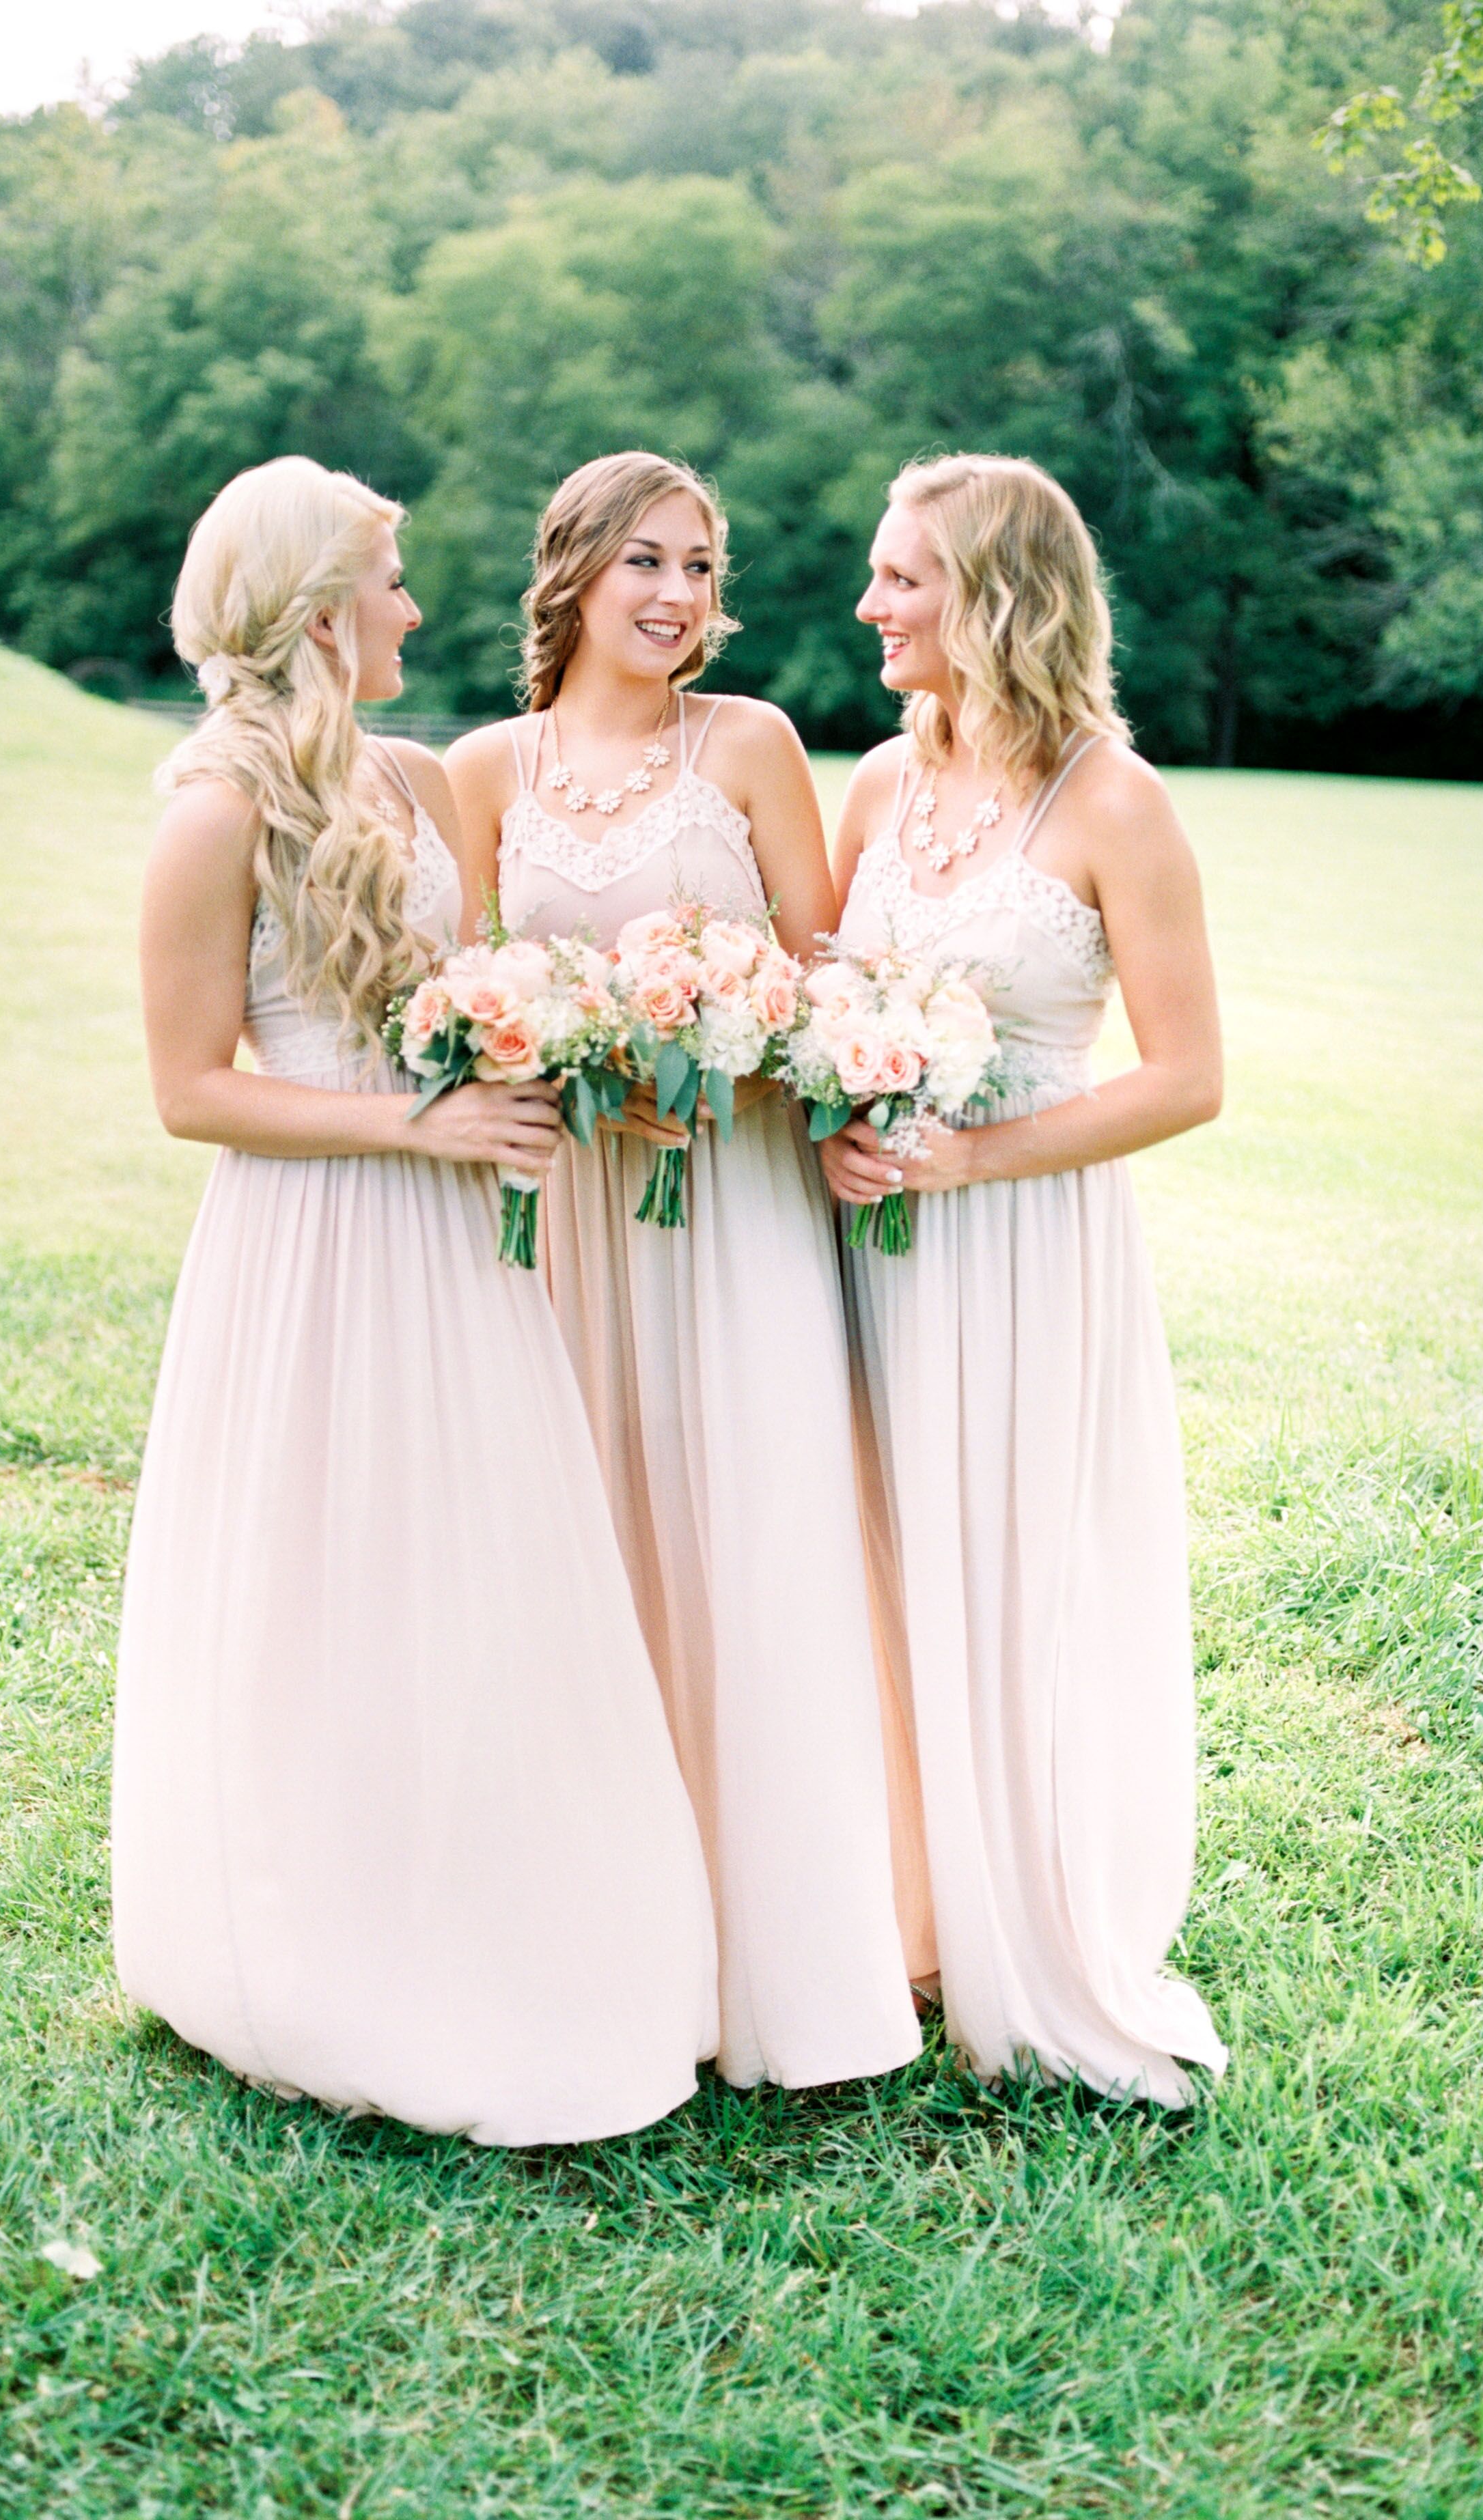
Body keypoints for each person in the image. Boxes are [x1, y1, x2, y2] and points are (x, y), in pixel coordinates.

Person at [110, 454, 717, 2146]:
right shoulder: (214, 810)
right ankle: (319, 1937)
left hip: (463, 1248)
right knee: (328, 1574)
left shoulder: (411, 778)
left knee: (487, 1574)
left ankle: (497, 1912)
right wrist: (415, 1123)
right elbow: (190, 1089)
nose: (418, 610)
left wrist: (598, 1058)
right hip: (313, 1244)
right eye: (391, 582)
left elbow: (478, 989)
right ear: (317, 612)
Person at [446, 451, 925, 2091]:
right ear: (573, 568)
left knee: (757, 1538)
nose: (679, 597)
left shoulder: (754, 746)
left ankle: (783, 1957)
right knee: (587, 1546)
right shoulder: (482, 770)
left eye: (704, 569)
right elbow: (471, 1000)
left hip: (737, 1217)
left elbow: (834, 977)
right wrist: (574, 1067)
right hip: (573, 1219)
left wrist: (731, 1061)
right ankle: (598, 1935)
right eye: (648, 561)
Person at [824, 453, 1228, 2106]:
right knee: (865, 1564)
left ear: (995, 596)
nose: (871, 607)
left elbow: (1188, 1076)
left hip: (1021, 1246)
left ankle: (1014, 1919)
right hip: (855, 1241)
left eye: (903, 578)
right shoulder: (872, 785)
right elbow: (808, 999)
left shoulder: (1115, 804)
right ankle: (885, 1911)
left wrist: (974, 1157)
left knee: (1001, 1573)